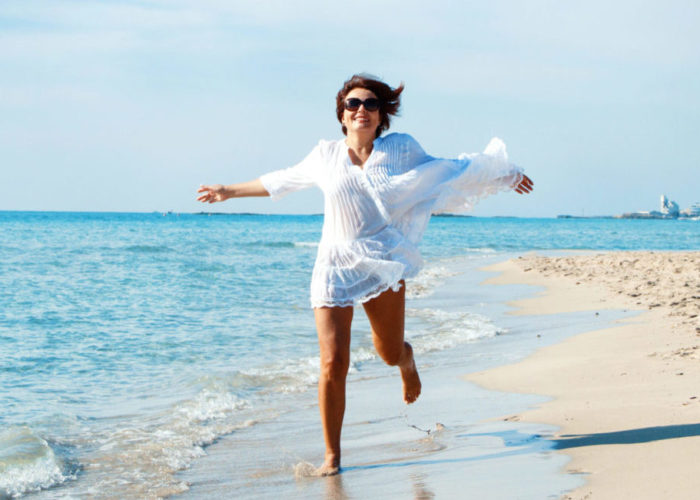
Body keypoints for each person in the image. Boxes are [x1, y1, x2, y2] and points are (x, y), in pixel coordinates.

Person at [197, 74, 533, 476]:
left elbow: (448, 169)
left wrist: (504, 173)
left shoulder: (401, 149)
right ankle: (333, 457)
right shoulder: (324, 155)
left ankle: (407, 362)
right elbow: (279, 181)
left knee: (388, 351)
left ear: (381, 115)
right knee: (331, 363)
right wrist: (227, 191)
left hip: (381, 259)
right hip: (333, 265)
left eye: (371, 104)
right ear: (341, 113)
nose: (362, 110)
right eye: (353, 103)